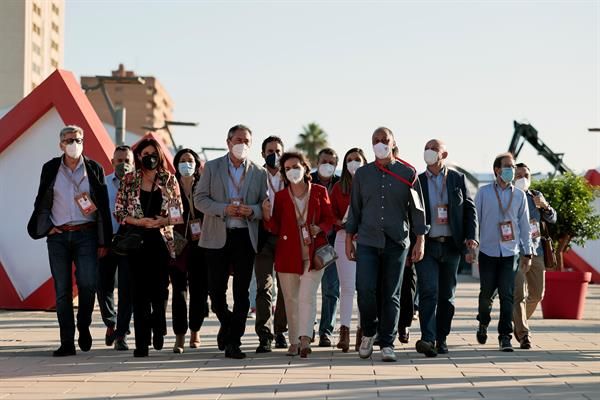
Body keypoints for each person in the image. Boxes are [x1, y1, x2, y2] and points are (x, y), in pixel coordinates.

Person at [27, 125, 112, 357]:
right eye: (68, 139)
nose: (73, 143)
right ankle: (67, 341)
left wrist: (105, 240)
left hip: (87, 234)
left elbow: (103, 206)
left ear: (83, 141)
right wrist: (47, 228)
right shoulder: (51, 168)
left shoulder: (94, 168)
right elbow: (42, 200)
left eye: (77, 139)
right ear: (60, 144)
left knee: (87, 283)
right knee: (62, 291)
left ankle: (83, 325)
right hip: (59, 236)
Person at [345, 127, 428, 362]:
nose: (380, 143)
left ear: (393, 143)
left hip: (396, 242)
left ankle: (388, 342)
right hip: (368, 241)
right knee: (365, 289)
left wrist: (420, 240)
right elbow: (355, 209)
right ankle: (369, 332)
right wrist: (349, 240)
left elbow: (417, 211)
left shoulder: (408, 172)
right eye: (375, 140)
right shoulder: (362, 174)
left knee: (392, 294)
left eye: (384, 140)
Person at [194, 124, 267, 359]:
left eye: (246, 141)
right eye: (238, 140)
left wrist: (252, 210)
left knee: (242, 292)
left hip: (245, 237)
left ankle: (234, 341)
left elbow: (265, 207)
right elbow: (200, 199)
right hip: (217, 235)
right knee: (215, 293)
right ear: (228, 142)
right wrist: (224, 209)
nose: (242, 145)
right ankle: (227, 323)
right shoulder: (213, 167)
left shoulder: (258, 172)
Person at [114, 137, 183, 357]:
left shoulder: (169, 179)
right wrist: (139, 221)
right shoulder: (129, 179)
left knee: (160, 290)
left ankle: (159, 327)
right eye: (145, 155)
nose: (150, 158)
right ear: (139, 157)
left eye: (153, 154)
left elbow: (177, 212)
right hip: (136, 241)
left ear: (160, 156)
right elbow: (119, 211)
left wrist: (163, 221)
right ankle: (141, 344)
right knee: (139, 293)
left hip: (161, 241)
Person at [263, 152, 336, 358]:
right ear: (284, 174)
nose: (292, 171)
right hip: (288, 255)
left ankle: (305, 339)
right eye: (287, 168)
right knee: (291, 299)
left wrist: (320, 228)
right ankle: (293, 341)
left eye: (296, 166)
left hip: (315, 255)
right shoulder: (282, 196)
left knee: (307, 296)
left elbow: (330, 219)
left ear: (305, 167)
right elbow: (275, 227)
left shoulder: (320, 191)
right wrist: (267, 215)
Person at [414, 139, 478, 357]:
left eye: (434, 149)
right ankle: (428, 338)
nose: (429, 152)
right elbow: (411, 213)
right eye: (427, 148)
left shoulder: (457, 179)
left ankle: (442, 338)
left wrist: (472, 237)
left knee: (446, 296)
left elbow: (469, 209)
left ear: (444, 154)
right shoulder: (418, 181)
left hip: (451, 245)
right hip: (428, 245)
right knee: (428, 292)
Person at [475, 152, 533, 352]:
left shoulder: (519, 195)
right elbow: (476, 221)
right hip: (488, 251)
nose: (511, 170)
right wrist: (473, 243)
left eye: (513, 166)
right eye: (507, 166)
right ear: (497, 170)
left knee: (507, 295)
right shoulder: (483, 193)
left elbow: (524, 226)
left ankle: (505, 336)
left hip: (511, 252)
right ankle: (483, 322)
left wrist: (528, 253)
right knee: (486, 294)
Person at [512, 162, 557, 349]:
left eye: (526, 176)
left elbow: (553, 218)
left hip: (536, 250)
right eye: (519, 175)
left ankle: (517, 322)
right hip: (516, 252)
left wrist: (546, 206)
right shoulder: (508, 196)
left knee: (537, 294)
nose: (523, 179)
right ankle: (523, 333)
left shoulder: (535, 196)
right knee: (518, 296)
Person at [169, 148, 209, 353]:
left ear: (197, 164)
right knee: (178, 291)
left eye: (190, 160)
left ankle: (195, 330)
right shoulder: (170, 185)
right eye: (183, 160)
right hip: (177, 241)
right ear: (176, 164)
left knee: (199, 291)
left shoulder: (204, 185)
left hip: (201, 242)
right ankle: (179, 335)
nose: (187, 164)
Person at [97, 145, 134, 351]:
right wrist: (99, 241)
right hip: (106, 242)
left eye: (127, 160)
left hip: (129, 243)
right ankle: (110, 323)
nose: (123, 164)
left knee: (127, 290)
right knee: (103, 287)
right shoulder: (103, 184)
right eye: (119, 160)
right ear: (112, 162)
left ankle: (122, 334)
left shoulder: (139, 184)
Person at [329, 148, 367, 352]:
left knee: (365, 289)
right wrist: (343, 225)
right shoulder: (338, 187)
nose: (353, 163)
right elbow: (330, 215)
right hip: (343, 238)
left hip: (367, 240)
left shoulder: (371, 185)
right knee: (347, 289)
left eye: (357, 160)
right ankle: (344, 332)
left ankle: (363, 333)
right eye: (350, 160)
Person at [254, 136, 289, 353]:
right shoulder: (256, 176)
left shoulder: (290, 177)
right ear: (262, 153)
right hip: (263, 237)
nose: (273, 154)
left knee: (285, 288)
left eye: (277, 150)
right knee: (263, 287)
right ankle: (264, 335)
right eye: (269, 150)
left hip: (285, 239)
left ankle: (280, 331)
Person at [310, 148, 340, 347]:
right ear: (317, 161)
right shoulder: (307, 181)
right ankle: (307, 329)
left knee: (331, 290)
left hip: (333, 244)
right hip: (310, 243)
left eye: (331, 162)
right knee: (308, 290)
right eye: (324, 161)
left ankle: (326, 331)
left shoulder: (341, 184)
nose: (327, 165)